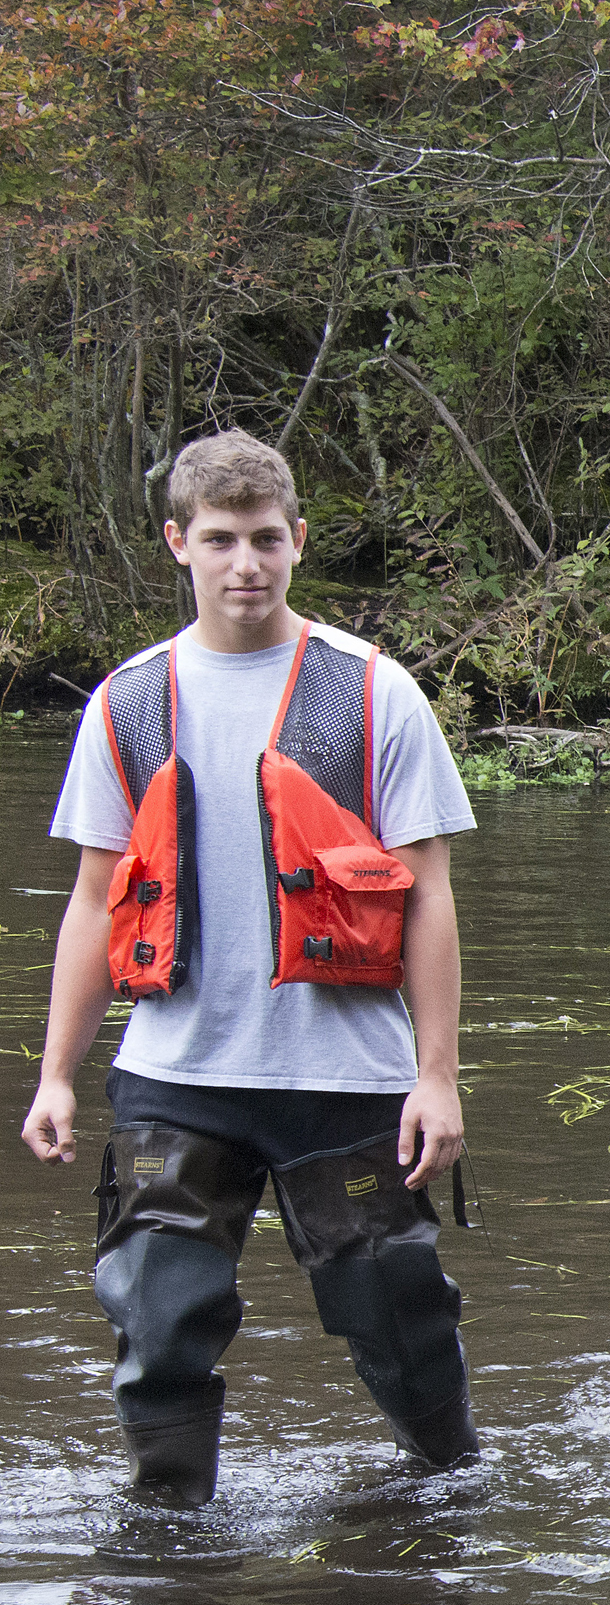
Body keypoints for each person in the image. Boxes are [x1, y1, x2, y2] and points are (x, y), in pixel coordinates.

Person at [21, 431, 479, 1507]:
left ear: (298, 540)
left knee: (396, 1316)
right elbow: (96, 902)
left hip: (347, 1078)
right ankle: (168, 1540)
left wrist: (439, 1074)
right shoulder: (128, 703)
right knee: (161, 1322)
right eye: (220, 540)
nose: (246, 565)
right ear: (179, 542)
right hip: (177, 1074)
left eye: (266, 539)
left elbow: (428, 894)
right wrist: (55, 1073)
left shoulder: (372, 693)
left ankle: (454, 1492)